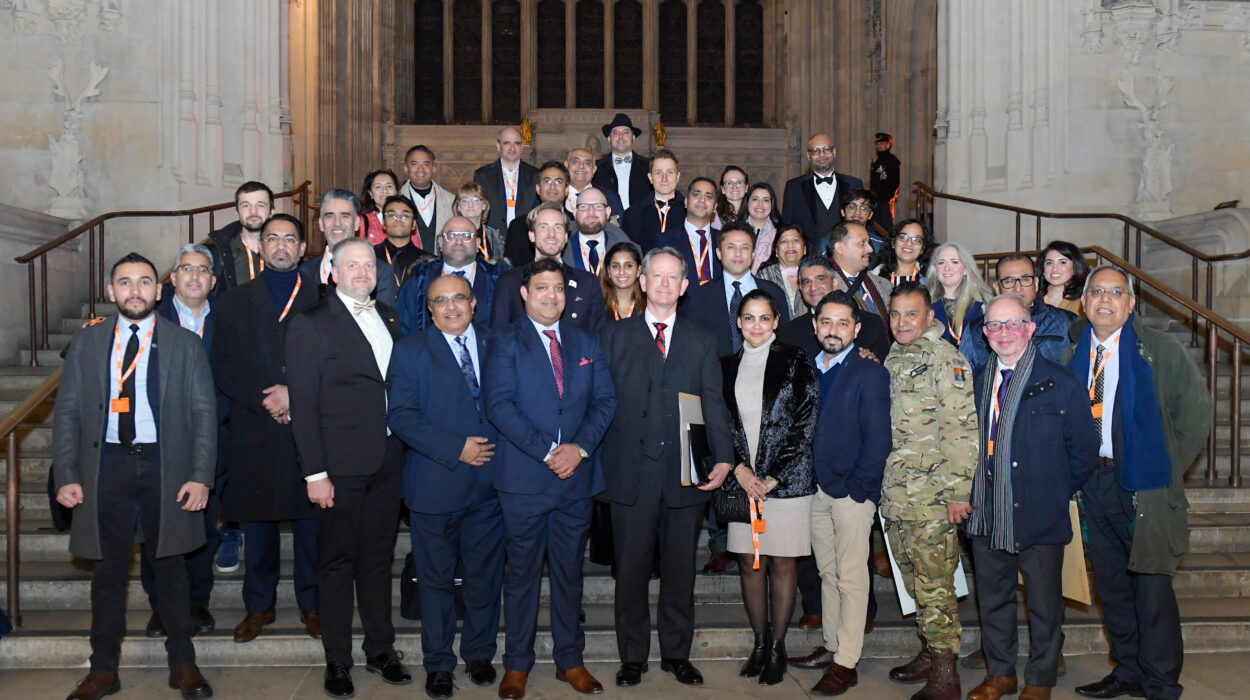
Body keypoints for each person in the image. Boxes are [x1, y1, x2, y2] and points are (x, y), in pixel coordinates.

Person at [54, 252, 217, 700]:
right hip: (107, 466)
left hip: (167, 466)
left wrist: (201, 475)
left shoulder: (183, 344)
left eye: (144, 282)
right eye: (124, 283)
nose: (135, 291)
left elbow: (204, 414)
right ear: (111, 292)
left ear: (158, 290)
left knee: (171, 568)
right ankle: (103, 669)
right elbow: (66, 412)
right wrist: (66, 474)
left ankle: (183, 665)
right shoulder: (87, 344)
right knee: (108, 573)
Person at [1065, 266, 1210, 700]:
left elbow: (1195, 414)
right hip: (1093, 483)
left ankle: (1161, 681)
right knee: (1111, 585)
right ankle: (1126, 671)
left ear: (1130, 303)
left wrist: (1163, 468)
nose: (1104, 299)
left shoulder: (1158, 349)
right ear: (1083, 302)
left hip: (1143, 485)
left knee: (1151, 587)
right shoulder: (1073, 352)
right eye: (1096, 292)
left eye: (1115, 292)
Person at [600, 247, 735, 689]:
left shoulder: (701, 339)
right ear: (641, 281)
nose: (662, 284)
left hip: (685, 472)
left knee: (680, 571)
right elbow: (600, 403)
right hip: (630, 474)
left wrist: (724, 457)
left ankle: (677, 653)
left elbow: (712, 402)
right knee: (632, 571)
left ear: (683, 286)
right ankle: (632, 656)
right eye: (655, 276)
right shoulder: (613, 336)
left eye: (671, 277)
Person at [483, 258, 618, 699]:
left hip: (574, 479)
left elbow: (605, 401)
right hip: (524, 480)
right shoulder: (504, 340)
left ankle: (570, 661)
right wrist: (547, 451)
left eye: (558, 288)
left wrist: (578, 450)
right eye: (541, 287)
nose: (551, 296)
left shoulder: (586, 341)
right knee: (520, 576)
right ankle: (517, 665)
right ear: (525, 294)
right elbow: (499, 406)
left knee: (568, 575)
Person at [286, 237, 410, 698]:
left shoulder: (390, 319)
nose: (362, 272)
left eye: (369, 265)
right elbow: (305, 404)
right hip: (337, 468)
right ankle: (337, 659)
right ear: (331, 273)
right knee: (337, 565)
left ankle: (381, 649)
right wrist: (314, 473)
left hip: (387, 460)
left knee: (378, 561)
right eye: (351, 265)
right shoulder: (310, 326)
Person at [963, 294, 1099, 700]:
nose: (1003, 333)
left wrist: (1051, 488)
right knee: (994, 600)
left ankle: (1039, 679)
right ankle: (1000, 673)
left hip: (1040, 510)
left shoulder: (1062, 383)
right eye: (994, 326)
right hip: (987, 511)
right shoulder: (975, 381)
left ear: (1030, 328)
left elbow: (1084, 453)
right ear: (985, 334)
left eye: (1013, 323)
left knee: (1044, 604)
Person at [388, 274, 505, 699]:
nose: (451, 307)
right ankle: (438, 664)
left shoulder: (499, 344)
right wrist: (457, 448)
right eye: (441, 301)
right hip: (435, 485)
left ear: (473, 303)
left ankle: (478, 654)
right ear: (430, 308)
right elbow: (400, 416)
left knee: (484, 578)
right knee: (435, 582)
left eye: (459, 298)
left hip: (491, 486)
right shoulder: (410, 351)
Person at [211, 213, 321, 644]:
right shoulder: (235, 300)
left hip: (306, 432)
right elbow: (223, 364)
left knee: (312, 528)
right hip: (254, 430)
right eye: (272, 238)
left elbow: (333, 362)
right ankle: (259, 606)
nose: (280, 246)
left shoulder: (321, 297)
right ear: (259, 247)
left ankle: (313, 605)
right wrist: (268, 400)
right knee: (258, 528)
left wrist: (295, 393)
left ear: (301, 248)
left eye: (289, 239)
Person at [881, 281, 978, 700]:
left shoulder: (946, 360)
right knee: (913, 579)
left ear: (929, 318)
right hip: (898, 494)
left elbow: (961, 429)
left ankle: (945, 671)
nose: (903, 322)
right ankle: (928, 648)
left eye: (911, 314)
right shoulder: (893, 358)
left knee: (936, 584)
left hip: (934, 497)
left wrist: (959, 492)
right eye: (896, 314)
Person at [722, 290, 819, 686]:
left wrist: (773, 475)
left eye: (764, 318)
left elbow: (805, 419)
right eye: (749, 318)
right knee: (749, 562)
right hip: (742, 483)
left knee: (781, 563)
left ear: (776, 321)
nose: (756, 326)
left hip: (788, 481)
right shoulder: (724, 366)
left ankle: (778, 646)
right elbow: (718, 424)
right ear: (739, 322)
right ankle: (759, 644)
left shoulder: (795, 359)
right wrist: (742, 471)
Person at [802, 290, 892, 697]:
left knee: (853, 577)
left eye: (842, 323)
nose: (833, 330)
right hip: (816, 492)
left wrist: (861, 490)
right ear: (815, 325)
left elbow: (878, 439)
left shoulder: (869, 372)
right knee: (827, 572)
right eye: (826, 322)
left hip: (851, 494)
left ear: (856, 328)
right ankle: (832, 643)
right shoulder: (810, 368)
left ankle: (846, 662)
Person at [142, 245, 222, 639]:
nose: (194, 276)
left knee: (203, 528)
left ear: (212, 280)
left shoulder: (227, 320)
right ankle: (161, 607)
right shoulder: (149, 319)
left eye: (203, 270)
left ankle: (197, 602)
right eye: (186, 269)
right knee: (156, 526)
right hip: (157, 442)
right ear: (171, 279)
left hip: (213, 440)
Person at [490, 202, 606, 335]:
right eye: (544, 227)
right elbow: (497, 338)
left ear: (566, 236)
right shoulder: (509, 281)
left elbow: (599, 340)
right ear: (532, 235)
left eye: (558, 227)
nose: (552, 234)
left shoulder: (587, 283)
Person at [680, 221, 791, 359]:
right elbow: (693, 347)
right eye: (731, 247)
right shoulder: (702, 296)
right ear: (719, 253)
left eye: (745, 248)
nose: (738, 254)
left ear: (753, 253)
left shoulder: (773, 292)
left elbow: (785, 340)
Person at [960, 254, 1078, 372]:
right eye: (1009, 281)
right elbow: (963, 378)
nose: (1017, 288)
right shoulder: (977, 329)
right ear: (997, 288)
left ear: (1036, 284)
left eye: (1025, 279)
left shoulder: (1066, 323)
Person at [397, 216, 506, 335]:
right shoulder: (419, 279)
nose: (459, 242)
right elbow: (404, 329)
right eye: (451, 236)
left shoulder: (499, 279)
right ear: (440, 242)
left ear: (477, 243)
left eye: (466, 236)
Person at [777, 255, 890, 363]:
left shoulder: (870, 324)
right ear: (801, 289)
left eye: (820, 279)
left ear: (835, 283)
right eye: (806, 282)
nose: (813, 287)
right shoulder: (788, 334)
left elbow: (884, 367)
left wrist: (874, 362)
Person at [298, 189, 399, 306]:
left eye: (345, 216)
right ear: (321, 224)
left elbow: (383, 320)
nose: (337, 223)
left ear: (356, 223)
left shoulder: (380, 272)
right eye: (330, 216)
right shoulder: (304, 272)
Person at [782, 133, 865, 252]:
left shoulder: (854, 184)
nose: (822, 155)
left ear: (834, 152)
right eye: (816, 150)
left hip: (847, 256)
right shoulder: (794, 187)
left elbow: (864, 223)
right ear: (808, 156)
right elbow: (787, 227)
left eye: (826, 149)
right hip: (809, 260)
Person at [827, 222, 894, 345]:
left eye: (869, 243)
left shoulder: (884, 285)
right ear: (840, 248)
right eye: (862, 243)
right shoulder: (819, 287)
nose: (870, 249)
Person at [204, 180, 273, 294]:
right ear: (237, 211)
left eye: (260, 205)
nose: (253, 211)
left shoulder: (284, 250)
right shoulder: (217, 251)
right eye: (245, 205)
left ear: (271, 211)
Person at [504, 160, 571, 267]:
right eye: (547, 181)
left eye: (558, 182)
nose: (552, 186)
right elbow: (511, 269)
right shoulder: (518, 226)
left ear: (567, 190)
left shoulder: (575, 223)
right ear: (538, 189)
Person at [925, 241, 991, 348]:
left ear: (965, 269)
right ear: (935, 270)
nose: (947, 268)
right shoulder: (924, 305)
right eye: (941, 262)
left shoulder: (983, 306)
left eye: (954, 262)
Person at [659, 176, 720, 289]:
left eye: (708, 196)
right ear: (686, 202)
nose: (702, 200)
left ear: (715, 206)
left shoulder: (724, 240)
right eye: (696, 194)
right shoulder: (665, 241)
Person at [475, 126, 539, 233]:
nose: (512, 148)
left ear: (522, 146)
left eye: (517, 143)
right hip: (493, 241)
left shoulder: (535, 175)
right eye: (507, 143)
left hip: (526, 241)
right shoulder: (482, 176)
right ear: (498, 146)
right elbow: (477, 212)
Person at [620, 148, 684, 252]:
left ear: (677, 176)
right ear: (650, 177)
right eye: (658, 173)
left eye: (670, 172)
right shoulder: (632, 215)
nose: (664, 178)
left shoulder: (690, 212)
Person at [398, 145, 457, 252]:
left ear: (433, 168)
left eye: (425, 164)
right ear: (406, 169)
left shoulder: (451, 201)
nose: (420, 169)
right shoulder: (396, 200)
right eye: (414, 164)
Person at [563, 186, 631, 276]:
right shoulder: (561, 249)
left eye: (598, 206)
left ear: (608, 212)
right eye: (584, 206)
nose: (591, 212)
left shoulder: (625, 249)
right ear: (575, 213)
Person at [374, 194, 436, 291]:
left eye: (405, 216)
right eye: (392, 215)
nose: (398, 219)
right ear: (383, 223)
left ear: (414, 224)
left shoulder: (431, 262)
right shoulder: (369, 257)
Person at [593, 113, 651, 213]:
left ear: (633, 138)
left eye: (625, 132)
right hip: (608, 225)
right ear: (609, 139)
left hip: (642, 225)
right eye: (615, 133)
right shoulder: (595, 168)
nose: (620, 136)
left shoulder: (649, 166)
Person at [757, 224, 808, 319]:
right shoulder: (764, 275)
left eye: (796, 240)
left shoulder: (814, 273)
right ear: (776, 251)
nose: (790, 245)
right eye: (784, 241)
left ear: (804, 249)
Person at [452, 180, 507, 265]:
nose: (470, 205)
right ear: (458, 206)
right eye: (465, 200)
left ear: (484, 205)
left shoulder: (494, 235)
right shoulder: (450, 234)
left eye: (476, 200)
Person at [566, 147, 624, 220]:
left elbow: (619, 229)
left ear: (594, 169)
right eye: (575, 161)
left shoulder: (610, 197)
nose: (581, 166)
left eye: (587, 163)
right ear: (566, 166)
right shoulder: (555, 195)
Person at [872, 218, 931, 285]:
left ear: (922, 249)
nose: (909, 243)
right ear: (893, 243)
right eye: (903, 237)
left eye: (917, 240)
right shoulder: (873, 278)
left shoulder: (930, 282)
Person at [1039, 240, 1089, 316]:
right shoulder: (1033, 298)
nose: (1054, 269)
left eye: (1062, 262)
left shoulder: (1084, 301)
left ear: (1075, 267)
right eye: (1049, 263)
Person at [600, 240, 645, 322]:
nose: (621, 272)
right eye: (615, 266)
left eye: (628, 266)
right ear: (608, 271)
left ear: (638, 270)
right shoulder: (597, 306)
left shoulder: (649, 306)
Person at [742, 182, 783, 273]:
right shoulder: (734, 231)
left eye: (766, 200)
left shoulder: (781, 234)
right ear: (747, 202)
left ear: (772, 204)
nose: (760, 204)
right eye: (755, 199)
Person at [839, 188, 887, 259]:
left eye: (863, 208)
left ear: (870, 214)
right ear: (843, 212)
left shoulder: (879, 245)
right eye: (852, 207)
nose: (857, 212)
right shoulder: (827, 242)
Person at [359, 169, 399, 246]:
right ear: (370, 193)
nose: (384, 191)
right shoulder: (361, 221)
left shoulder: (406, 218)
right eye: (378, 187)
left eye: (389, 186)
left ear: (396, 192)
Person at [869, 132, 901, 230]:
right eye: (878, 144)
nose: (879, 146)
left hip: (886, 199)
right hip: (875, 199)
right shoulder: (876, 162)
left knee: (886, 226)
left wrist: (890, 197)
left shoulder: (892, 161)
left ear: (888, 145)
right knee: (875, 225)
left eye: (882, 143)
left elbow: (895, 181)